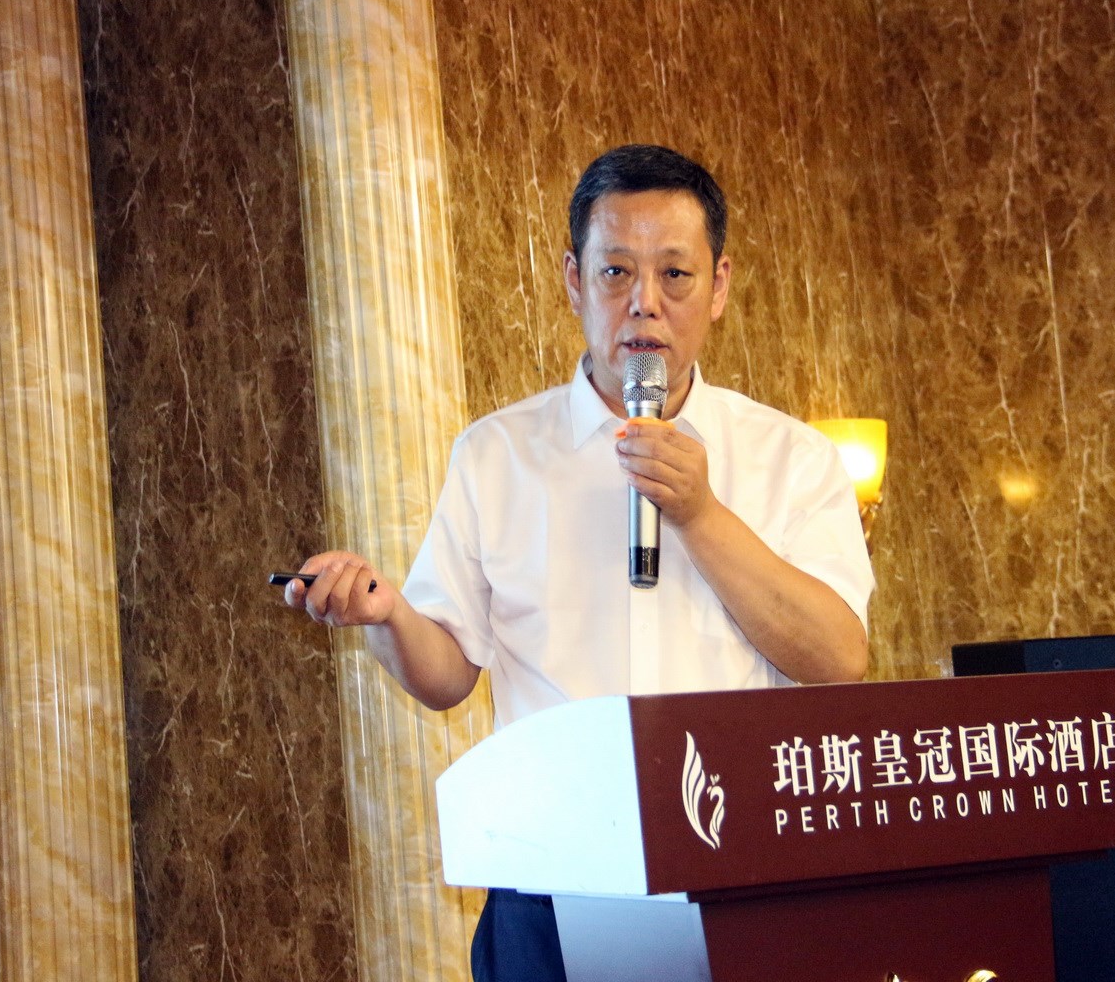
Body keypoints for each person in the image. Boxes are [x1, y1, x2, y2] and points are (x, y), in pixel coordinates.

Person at [283, 143, 875, 981]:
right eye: (615, 272)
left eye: (675, 275)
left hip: (744, 875)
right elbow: (447, 674)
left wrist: (700, 514)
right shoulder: (496, 454)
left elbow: (838, 657)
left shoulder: (791, 457)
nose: (645, 304)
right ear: (573, 280)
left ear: (720, 286)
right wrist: (387, 618)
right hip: (551, 881)